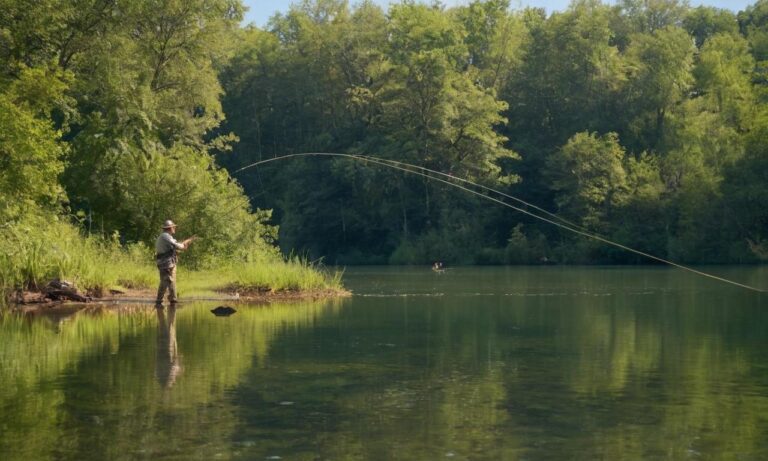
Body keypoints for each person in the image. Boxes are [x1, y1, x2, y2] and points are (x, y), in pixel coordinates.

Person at [155, 219, 195, 306]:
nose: (174, 228)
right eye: (173, 227)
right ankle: (160, 301)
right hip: (165, 263)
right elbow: (178, 245)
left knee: (171, 281)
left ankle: (173, 300)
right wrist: (184, 244)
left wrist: (184, 245)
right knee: (166, 281)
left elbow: (174, 248)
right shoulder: (165, 236)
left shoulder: (166, 236)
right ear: (170, 228)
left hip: (169, 263)